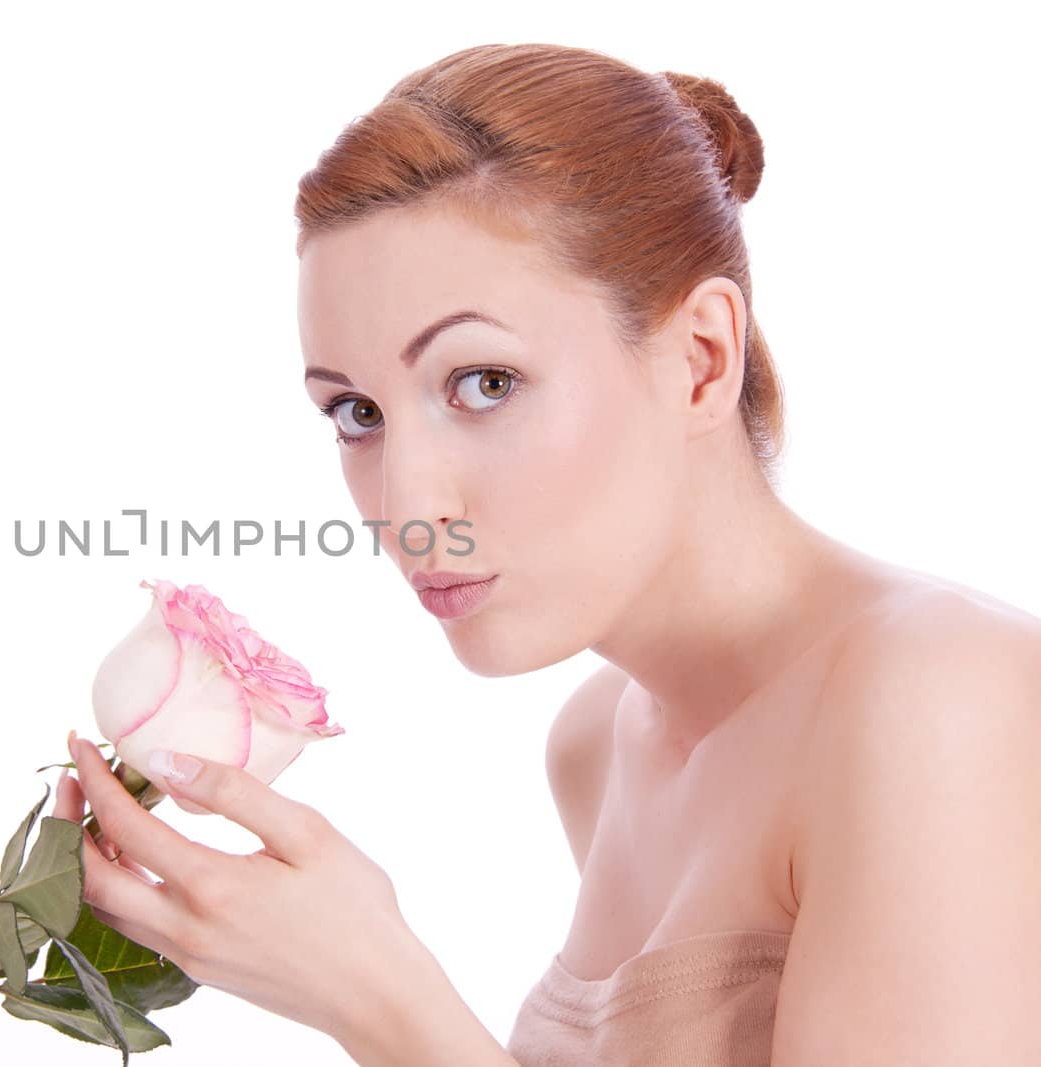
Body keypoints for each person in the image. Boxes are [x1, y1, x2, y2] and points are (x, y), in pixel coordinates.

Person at [55, 42, 1041, 1066]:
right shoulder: (597, 746)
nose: (406, 506)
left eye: (482, 382)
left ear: (700, 359)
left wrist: (380, 1000)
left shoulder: (939, 697)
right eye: (355, 412)